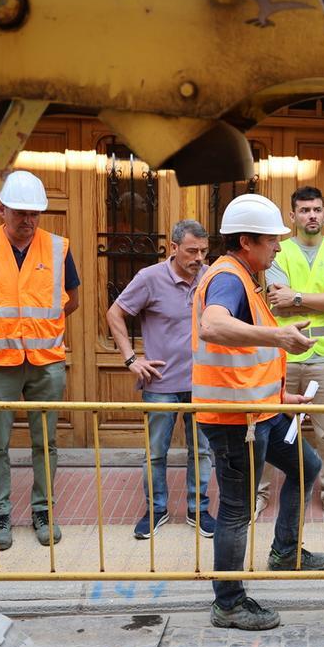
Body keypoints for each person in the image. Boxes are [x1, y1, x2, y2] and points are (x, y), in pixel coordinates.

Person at [194, 193, 324, 632]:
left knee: (307, 466)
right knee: (236, 510)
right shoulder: (228, 279)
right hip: (235, 423)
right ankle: (229, 602)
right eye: (272, 240)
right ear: (247, 241)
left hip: (261, 413)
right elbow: (212, 325)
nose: (278, 247)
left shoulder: (247, 278)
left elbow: (244, 359)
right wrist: (280, 338)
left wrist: (280, 399)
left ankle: (285, 552)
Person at [0, 170, 79, 551]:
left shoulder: (57, 247)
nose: (28, 220)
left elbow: (71, 299)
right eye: (20, 212)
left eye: (35, 214)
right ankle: (0, 516)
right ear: (1, 210)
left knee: (46, 442)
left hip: (45, 360)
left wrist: (38, 329)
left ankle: (43, 511)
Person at [107, 219, 216, 541]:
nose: (198, 258)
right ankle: (156, 509)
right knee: (156, 453)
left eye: (204, 251)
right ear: (173, 248)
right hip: (161, 384)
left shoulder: (211, 277)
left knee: (202, 451)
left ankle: (198, 509)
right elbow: (115, 314)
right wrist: (130, 359)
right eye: (192, 251)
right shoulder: (150, 278)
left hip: (203, 382)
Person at [255, 185, 324, 529]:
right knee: (268, 428)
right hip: (281, 357)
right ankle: (261, 494)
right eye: (305, 210)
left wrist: (296, 296)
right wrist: (316, 298)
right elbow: (275, 299)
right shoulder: (277, 252)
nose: (312, 215)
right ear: (293, 216)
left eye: (317, 209)